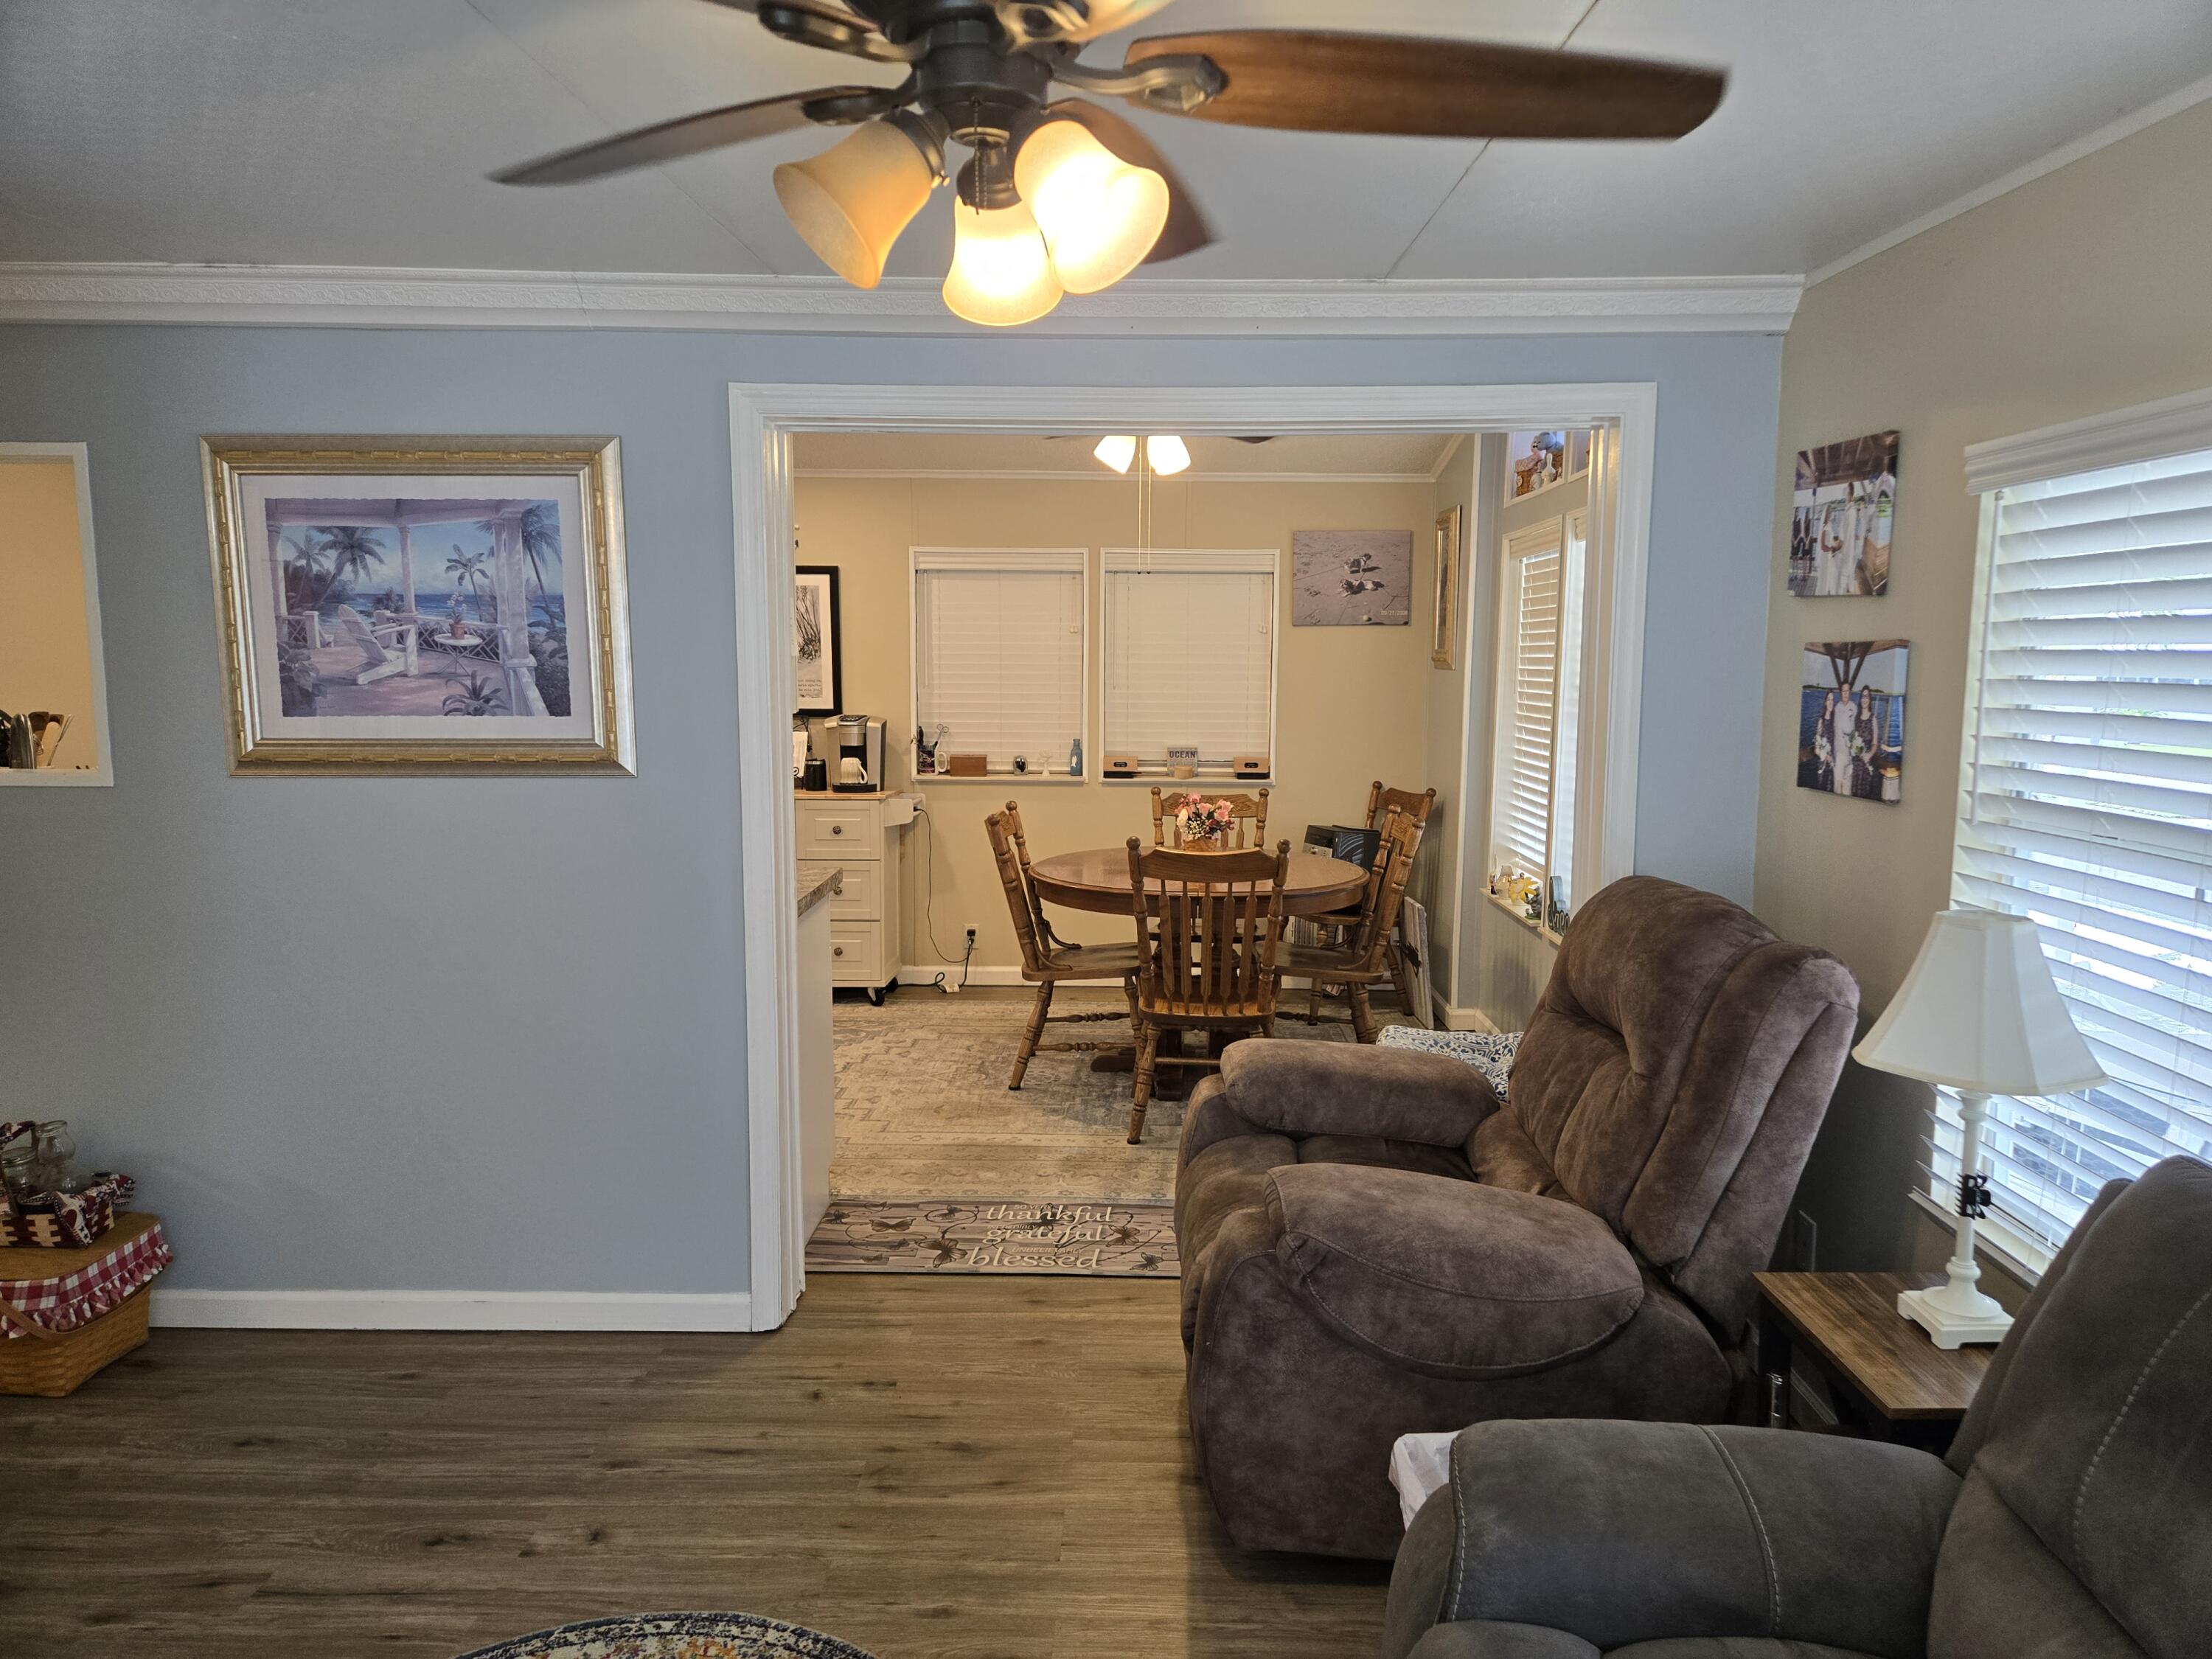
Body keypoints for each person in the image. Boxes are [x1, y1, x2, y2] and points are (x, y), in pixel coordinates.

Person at [1831, 683, 1857, 795]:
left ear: (1850, 692)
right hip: (1839, 755)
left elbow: (1855, 730)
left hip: (1850, 756)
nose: (1845, 694)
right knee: (1837, 789)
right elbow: (1833, 731)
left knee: (1847, 790)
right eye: (1843, 691)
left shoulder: (1854, 707)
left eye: (1847, 691)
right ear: (1840, 693)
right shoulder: (1836, 708)